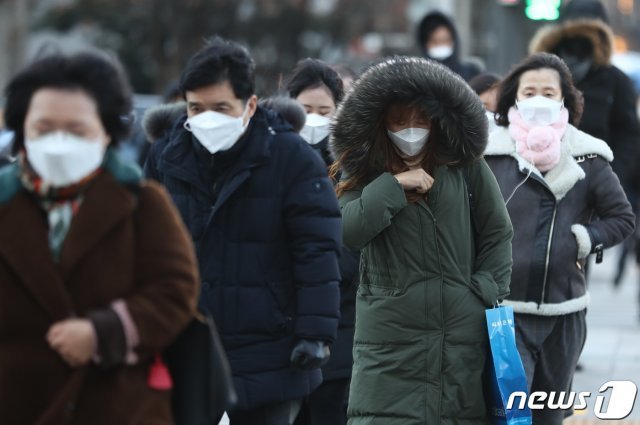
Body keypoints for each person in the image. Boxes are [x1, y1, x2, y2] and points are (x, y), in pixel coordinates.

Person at [143, 37, 342, 425]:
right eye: (195, 108)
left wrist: (315, 333)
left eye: (221, 108)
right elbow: (145, 249)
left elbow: (316, 248)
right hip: (187, 345)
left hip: (270, 347)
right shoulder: (167, 155)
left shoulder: (290, 158)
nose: (207, 119)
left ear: (249, 105)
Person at [0, 51, 199, 424]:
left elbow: (176, 292)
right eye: (44, 129)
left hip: (119, 405)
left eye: (77, 130)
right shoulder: (4, 204)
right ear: (22, 130)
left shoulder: (143, 204)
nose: (59, 143)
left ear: (105, 131)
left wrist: (102, 332)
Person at [330, 56, 513, 424]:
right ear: (382, 121)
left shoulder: (462, 163)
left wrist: (481, 290)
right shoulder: (365, 165)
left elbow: (497, 230)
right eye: (399, 120)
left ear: (436, 119)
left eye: (420, 119)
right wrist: (393, 186)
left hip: (458, 333)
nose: (410, 130)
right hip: (389, 341)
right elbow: (346, 231)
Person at [484, 52, 635, 425]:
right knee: (509, 415)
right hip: (505, 311)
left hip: (564, 312)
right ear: (514, 97)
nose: (538, 99)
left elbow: (622, 218)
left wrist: (584, 239)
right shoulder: (489, 154)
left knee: (550, 416)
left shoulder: (589, 156)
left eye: (548, 92)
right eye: (529, 91)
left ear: (564, 99)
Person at [529, 0, 640, 285]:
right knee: (527, 266)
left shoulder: (615, 82)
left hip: (587, 192)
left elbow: (628, 135)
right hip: (537, 184)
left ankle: (567, 325)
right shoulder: (540, 76)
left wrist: (610, 180)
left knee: (573, 276)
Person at [286, 58, 356, 425]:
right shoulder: (274, 161)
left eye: (323, 110)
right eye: (304, 109)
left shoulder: (355, 166)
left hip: (340, 329)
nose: (313, 119)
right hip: (282, 328)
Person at [286, 58, 344, 168]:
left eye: (323, 112)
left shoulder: (347, 160)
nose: (313, 118)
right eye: (306, 111)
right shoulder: (274, 151)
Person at [417, 11, 482, 81]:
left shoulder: (472, 73)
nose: (440, 46)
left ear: (454, 41)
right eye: (435, 42)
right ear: (425, 44)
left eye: (445, 40)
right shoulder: (417, 76)